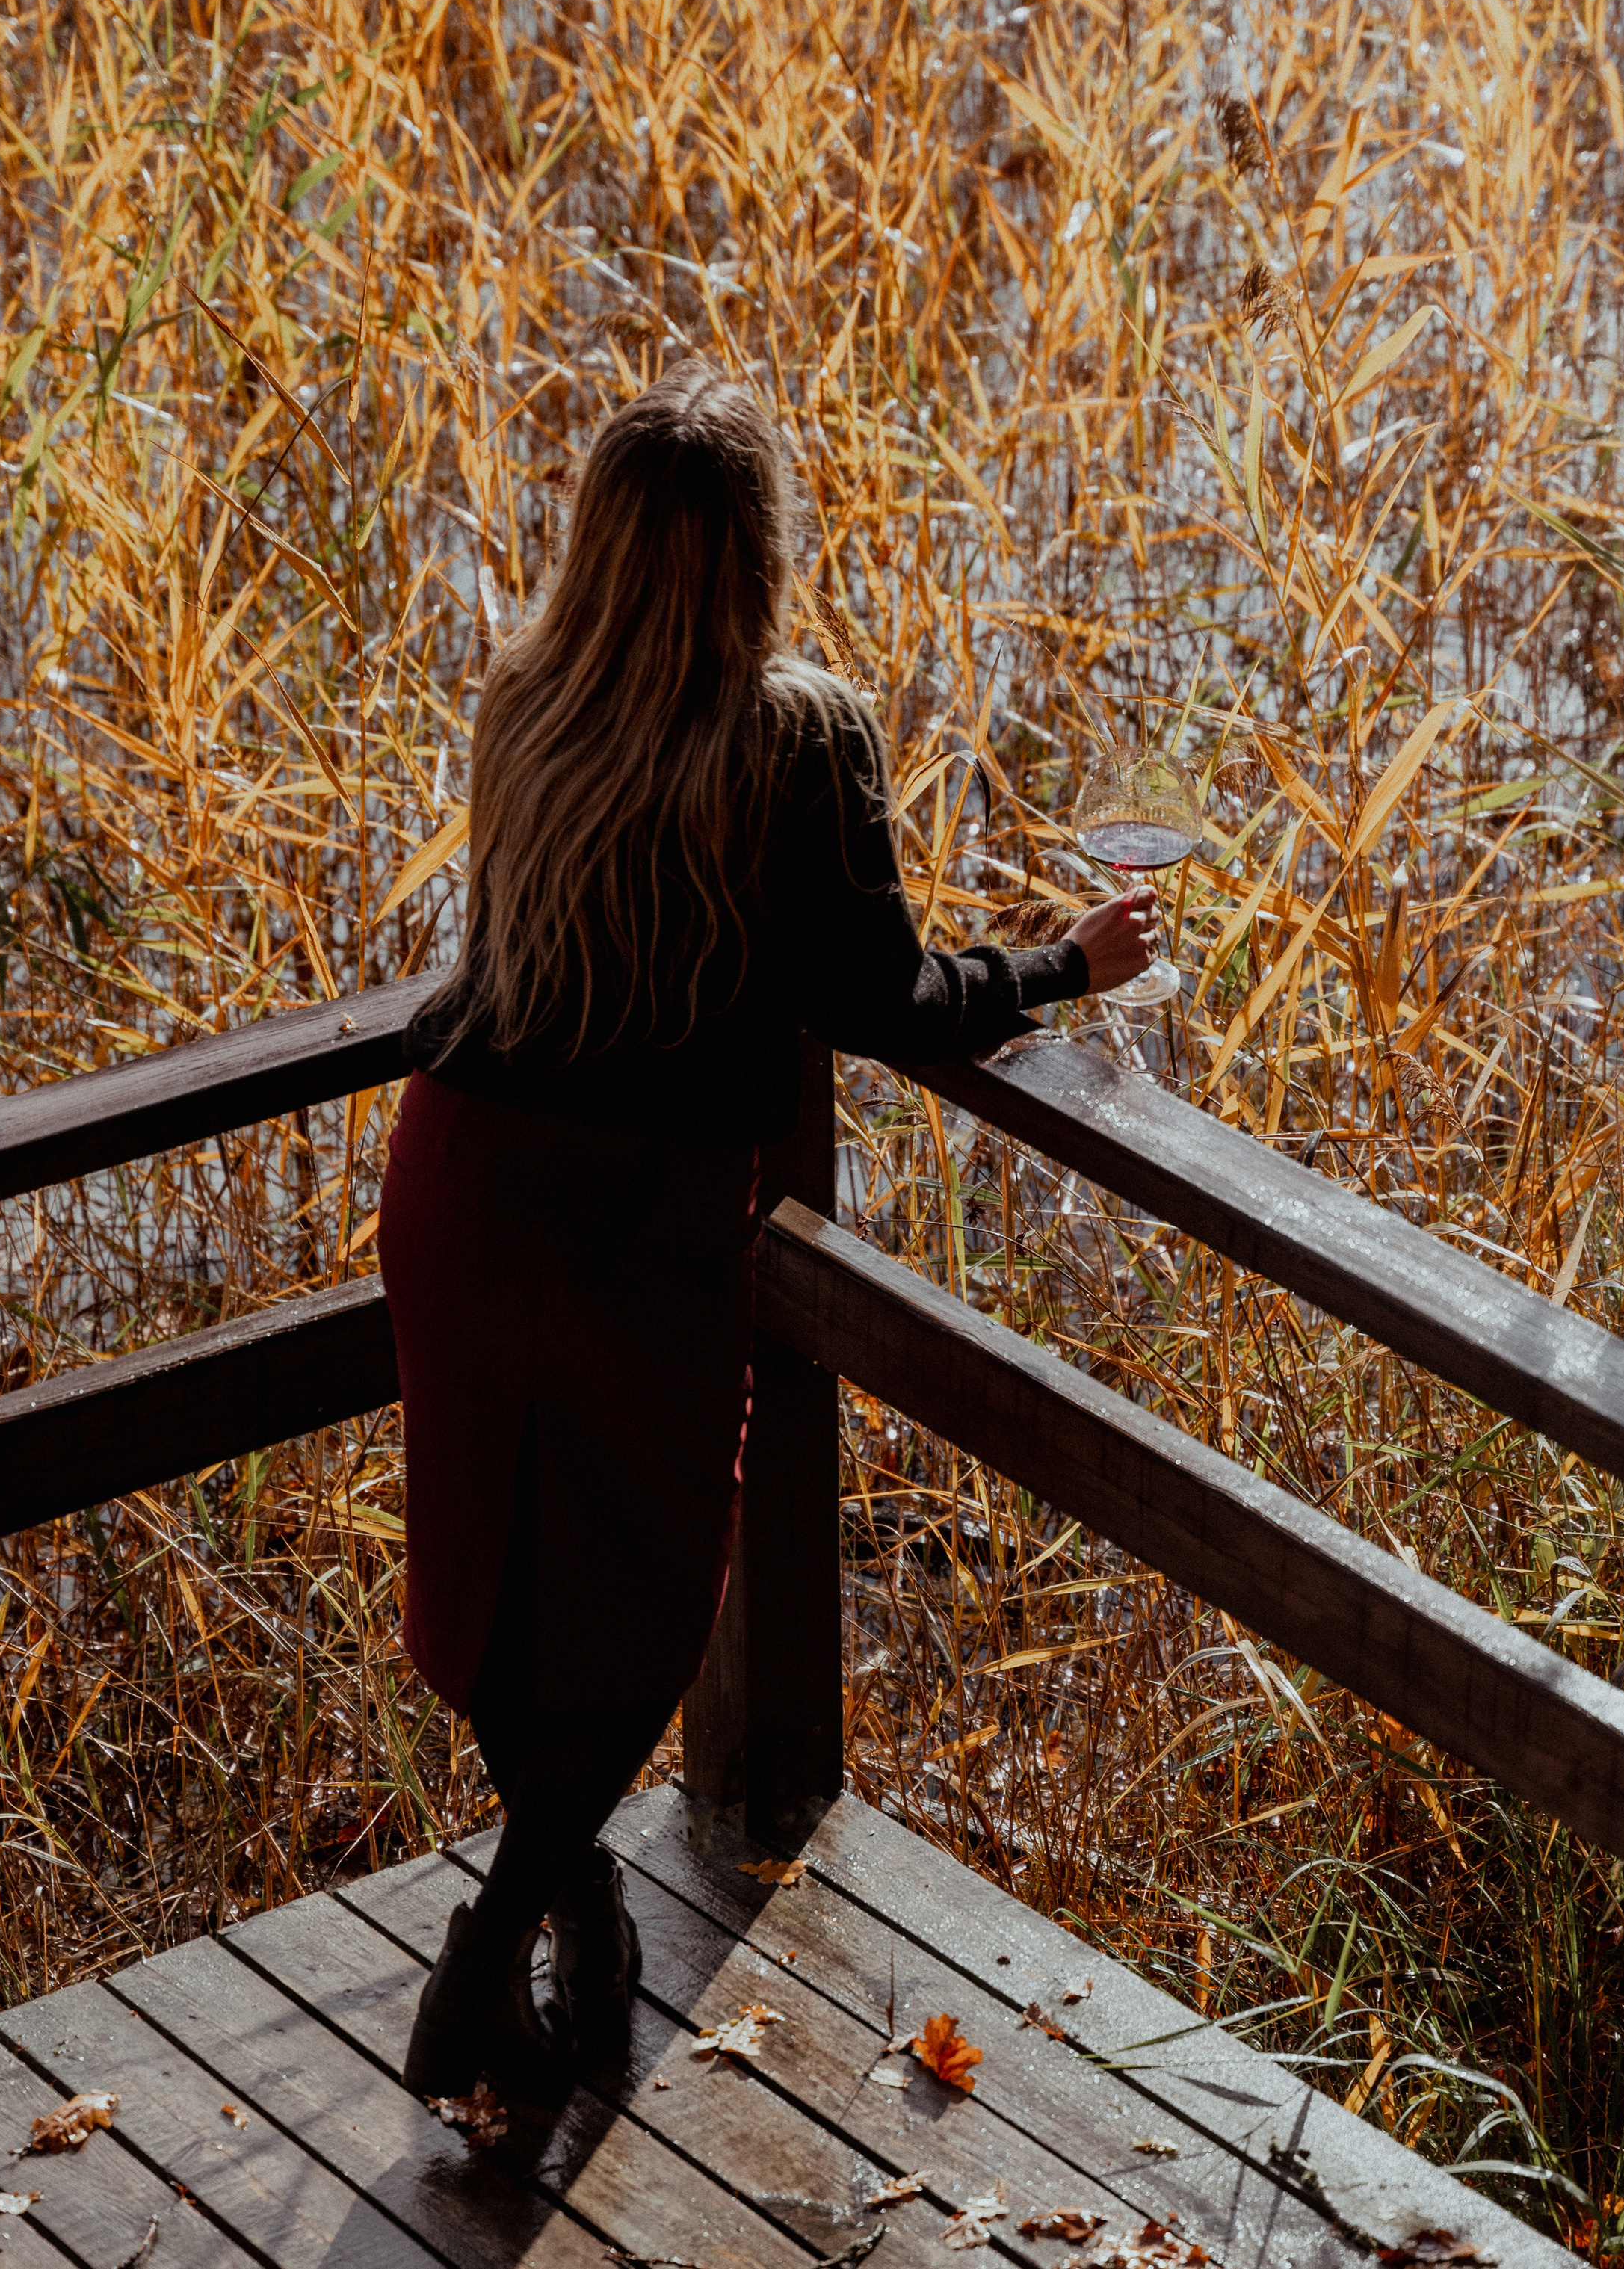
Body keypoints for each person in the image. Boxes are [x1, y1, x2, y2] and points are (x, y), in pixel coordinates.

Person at [378, 365, 1156, 2108]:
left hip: (463, 1182)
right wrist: (1064, 964)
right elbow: (881, 1000)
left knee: (502, 1570)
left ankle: (567, 1905)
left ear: (595, 541)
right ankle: (496, 1946)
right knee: (650, 1593)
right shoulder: (795, 736)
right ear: (758, 551)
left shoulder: (527, 698)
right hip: (630, 1227)